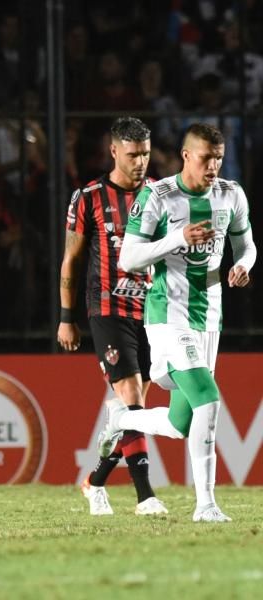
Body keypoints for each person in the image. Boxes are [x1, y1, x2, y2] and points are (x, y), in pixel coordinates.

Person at [101, 122, 257, 522]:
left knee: (179, 423)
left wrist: (241, 264)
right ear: (187, 155)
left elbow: (247, 244)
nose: (213, 167)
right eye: (206, 158)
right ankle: (205, 504)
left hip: (210, 316)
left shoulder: (231, 194)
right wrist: (177, 239)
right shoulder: (158, 196)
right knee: (207, 395)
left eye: (218, 159)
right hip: (167, 314)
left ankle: (122, 418)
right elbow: (129, 259)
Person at [58, 117, 168, 517]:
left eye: (145, 153)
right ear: (114, 151)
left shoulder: (160, 193)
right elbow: (71, 259)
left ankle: (94, 481)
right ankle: (145, 496)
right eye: (133, 154)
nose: (140, 161)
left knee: (136, 407)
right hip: (106, 308)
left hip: (153, 309)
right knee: (133, 397)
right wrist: (67, 317)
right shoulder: (87, 197)